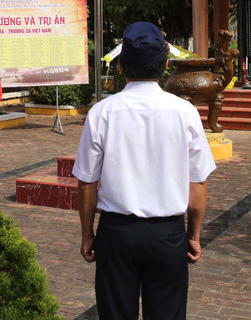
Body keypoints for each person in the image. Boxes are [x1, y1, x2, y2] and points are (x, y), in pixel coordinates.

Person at [73, 22, 216, 320]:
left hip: (116, 234)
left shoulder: (102, 112)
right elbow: (198, 182)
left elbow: (87, 182)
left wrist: (88, 234)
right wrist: (193, 234)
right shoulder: (184, 112)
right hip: (167, 235)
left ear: (122, 65)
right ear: (164, 66)